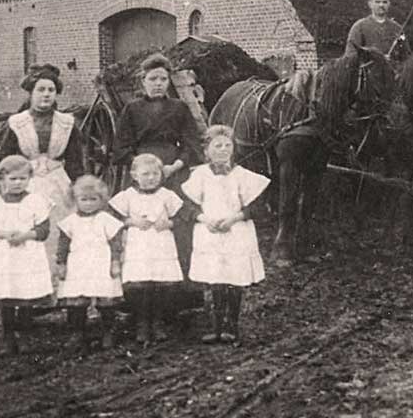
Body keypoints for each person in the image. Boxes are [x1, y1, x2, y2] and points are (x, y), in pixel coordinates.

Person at [114, 53, 203, 279]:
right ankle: (138, 291)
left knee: (177, 224)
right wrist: (143, 170)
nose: (158, 84)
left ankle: (180, 293)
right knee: (141, 227)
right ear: (143, 81)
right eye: (152, 79)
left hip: (173, 171)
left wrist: (174, 166)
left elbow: (192, 143)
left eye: (162, 79)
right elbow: (121, 147)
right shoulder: (132, 109)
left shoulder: (179, 107)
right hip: (140, 174)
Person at [182, 125, 270, 345]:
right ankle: (217, 326)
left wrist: (235, 218)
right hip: (209, 232)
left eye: (227, 145)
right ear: (206, 150)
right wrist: (204, 219)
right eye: (217, 146)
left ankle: (233, 325)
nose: (222, 150)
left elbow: (258, 208)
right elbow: (187, 207)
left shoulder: (243, 176)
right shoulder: (199, 175)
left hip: (236, 232)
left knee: (234, 279)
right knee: (216, 280)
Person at [0, 63, 83, 282]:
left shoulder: (67, 123)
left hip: (58, 185)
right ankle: (30, 290)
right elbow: (3, 160)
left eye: (51, 90)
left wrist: (79, 188)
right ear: (31, 92)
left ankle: (59, 287)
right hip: (27, 185)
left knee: (60, 231)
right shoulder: (17, 123)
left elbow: (76, 162)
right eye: (41, 89)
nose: (46, 94)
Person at [0, 156, 54, 355]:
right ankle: (8, 337)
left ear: (29, 180)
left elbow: (43, 230)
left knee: (25, 295)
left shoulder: (36, 201)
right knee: (7, 295)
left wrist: (26, 235)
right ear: (2, 180)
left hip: (27, 253)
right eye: (13, 179)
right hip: (3, 255)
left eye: (23, 179)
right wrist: (2, 234)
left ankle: (25, 335)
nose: (18, 183)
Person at [108, 154, 185, 344]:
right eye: (145, 174)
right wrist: (130, 221)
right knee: (139, 284)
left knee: (160, 282)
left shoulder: (167, 195)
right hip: (138, 245)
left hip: (161, 244)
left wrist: (169, 223)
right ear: (134, 175)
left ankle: (157, 322)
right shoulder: (127, 196)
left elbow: (183, 218)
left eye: (155, 173)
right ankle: (141, 322)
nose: (151, 178)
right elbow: (112, 218)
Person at [55, 175, 124, 352]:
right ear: (75, 199)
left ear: (101, 200)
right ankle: (78, 332)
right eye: (83, 199)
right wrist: (61, 264)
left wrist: (115, 261)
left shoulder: (105, 219)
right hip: (78, 264)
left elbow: (115, 243)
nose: (88, 203)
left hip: (101, 262)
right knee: (77, 299)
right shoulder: (70, 222)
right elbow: (63, 245)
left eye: (93, 199)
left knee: (105, 297)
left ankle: (108, 330)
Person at [345, 0, 410, 63]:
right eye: (377, 2)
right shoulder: (359, 27)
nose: (381, 5)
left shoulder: (397, 28)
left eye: (385, 2)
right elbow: (350, 56)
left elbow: (406, 57)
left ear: (389, 4)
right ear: (370, 4)